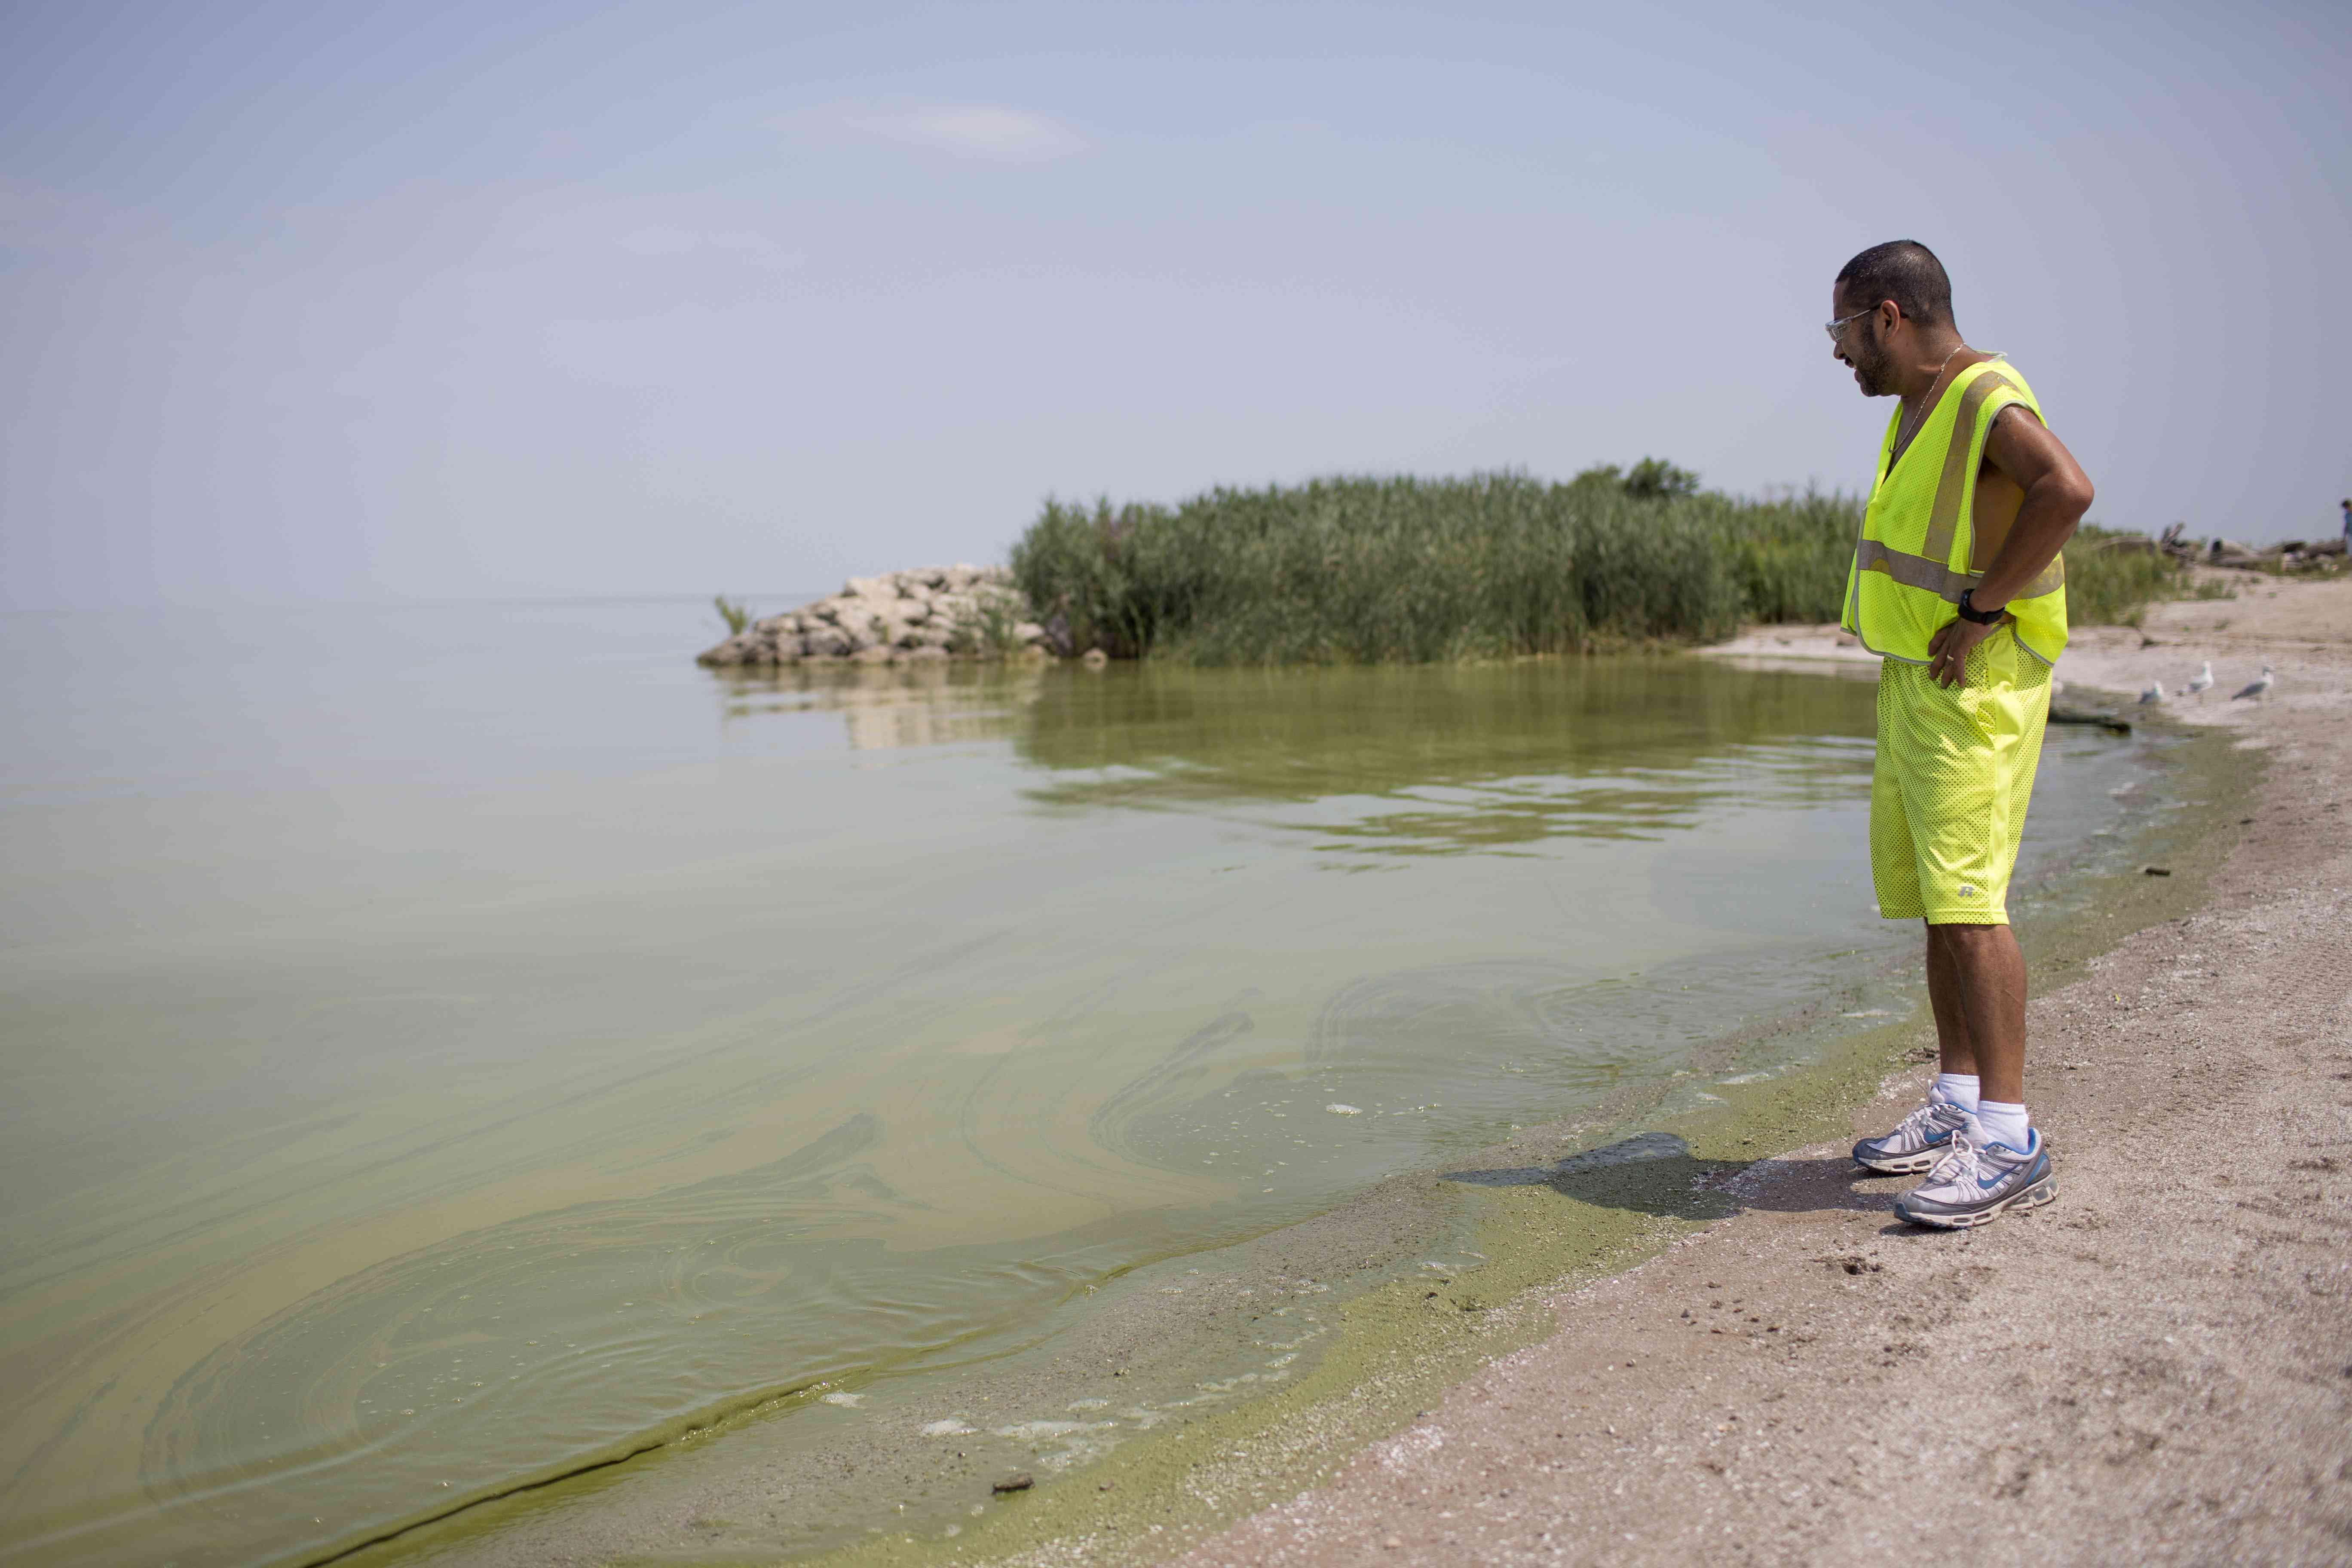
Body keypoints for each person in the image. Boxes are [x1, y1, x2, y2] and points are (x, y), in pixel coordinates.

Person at [1827, 240, 2095, 1228]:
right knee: (1944, 901)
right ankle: (1958, 1104)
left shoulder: (1984, 395)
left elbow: (2065, 488)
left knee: (1974, 904)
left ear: (1889, 316)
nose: (1840, 351)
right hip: (1920, 683)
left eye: (1845, 328)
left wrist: (1983, 611)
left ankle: (2011, 1140)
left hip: (1974, 684)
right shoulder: (1920, 404)